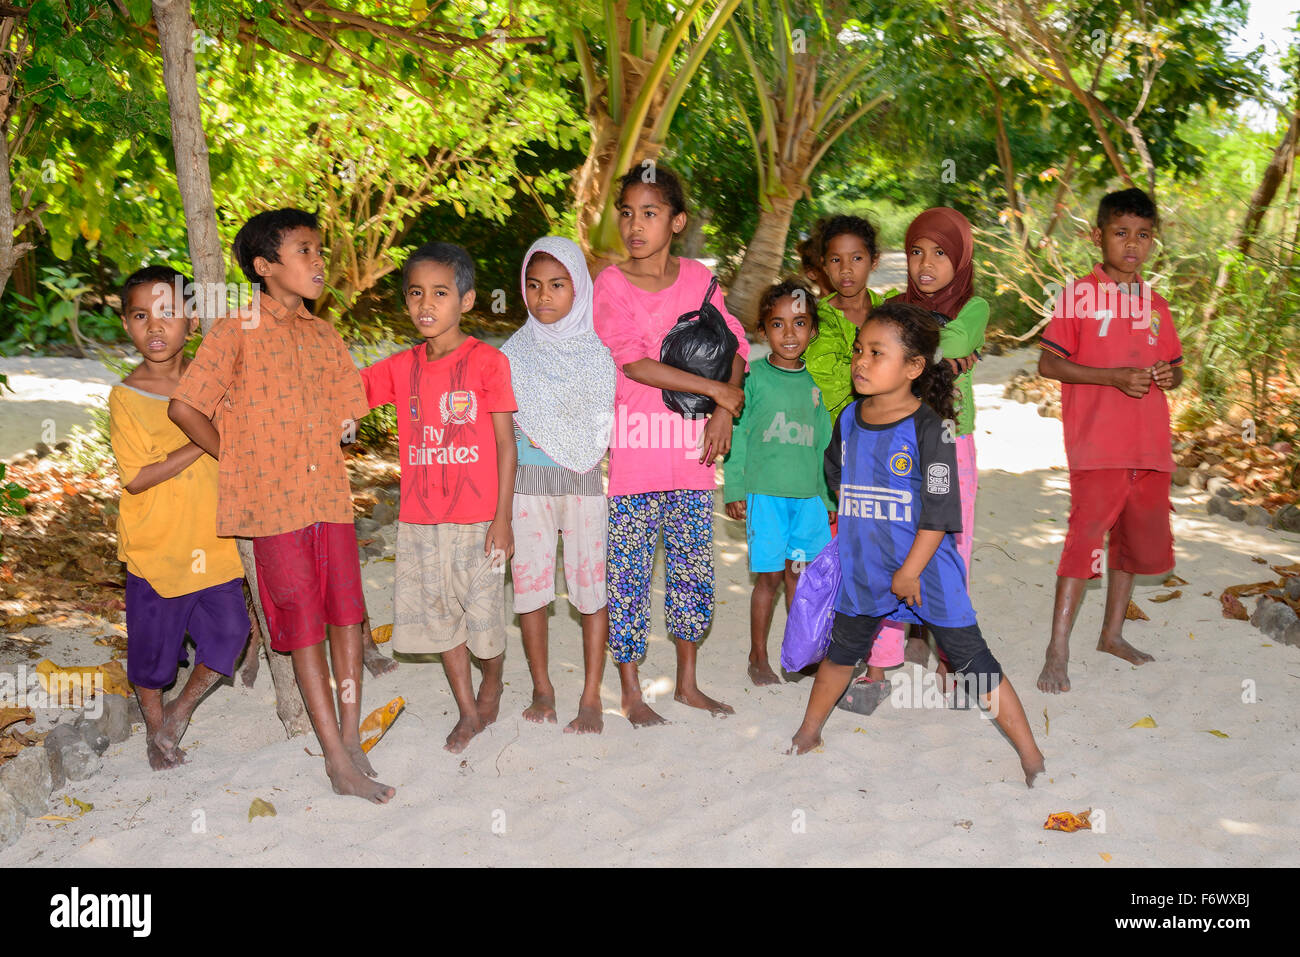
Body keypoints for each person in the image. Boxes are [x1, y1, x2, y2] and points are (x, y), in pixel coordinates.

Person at [169, 208, 394, 803]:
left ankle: (351, 738)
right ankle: (332, 758)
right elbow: (185, 408)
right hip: (273, 509)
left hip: (329, 498)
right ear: (266, 267)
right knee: (300, 626)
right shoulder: (234, 331)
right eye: (303, 251)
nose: (319, 261)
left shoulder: (324, 334)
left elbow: (350, 411)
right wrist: (237, 458)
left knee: (346, 617)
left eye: (320, 250)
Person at [788, 302, 1045, 788]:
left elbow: (939, 514)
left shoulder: (931, 428)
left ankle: (1031, 757)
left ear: (912, 367)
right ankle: (807, 733)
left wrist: (908, 572)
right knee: (842, 654)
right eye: (858, 351)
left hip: (926, 573)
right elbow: (838, 481)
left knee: (973, 661)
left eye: (876, 353)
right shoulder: (848, 420)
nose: (860, 361)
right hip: (865, 569)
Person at [593, 163, 750, 726]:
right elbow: (633, 362)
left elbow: (736, 342)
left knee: (691, 577)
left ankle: (687, 683)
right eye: (627, 213)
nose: (636, 225)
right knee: (629, 578)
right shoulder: (609, 285)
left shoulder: (699, 279)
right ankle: (631, 692)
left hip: (693, 459)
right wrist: (716, 391)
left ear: (677, 221)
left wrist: (725, 409)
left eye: (651, 214)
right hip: (635, 458)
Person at [358, 242, 517, 751]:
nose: (426, 304)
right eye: (415, 294)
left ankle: (492, 676)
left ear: (466, 301)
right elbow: (342, 392)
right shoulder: (399, 368)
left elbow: (505, 445)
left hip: (480, 521)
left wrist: (503, 519)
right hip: (420, 521)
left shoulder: (489, 363)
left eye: (441, 293)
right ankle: (467, 711)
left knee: (485, 621)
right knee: (442, 619)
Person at [841, 207, 988, 714]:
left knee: (951, 548)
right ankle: (879, 667)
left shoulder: (975, 306)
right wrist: (938, 354)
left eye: (941, 253)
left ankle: (952, 664)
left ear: (962, 258)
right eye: (916, 252)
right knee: (885, 548)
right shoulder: (892, 306)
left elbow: (959, 340)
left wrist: (931, 349)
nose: (926, 264)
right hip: (892, 443)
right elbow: (887, 349)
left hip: (951, 441)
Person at [1036, 187, 1182, 694]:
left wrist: (1167, 375)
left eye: (1143, 235)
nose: (1132, 244)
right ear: (1098, 236)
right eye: (1121, 233)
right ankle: (1057, 650)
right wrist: (1113, 377)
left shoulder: (1156, 303)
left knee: (1132, 546)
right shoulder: (1077, 295)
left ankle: (1112, 635)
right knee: (1085, 542)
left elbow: (1177, 372)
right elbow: (1048, 363)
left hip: (1150, 446)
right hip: (1098, 444)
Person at [110, 266, 249, 771]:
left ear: (192, 321)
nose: (155, 326)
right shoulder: (126, 396)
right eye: (141, 315)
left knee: (231, 634)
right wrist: (200, 437)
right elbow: (137, 478)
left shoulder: (212, 384)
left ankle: (180, 710)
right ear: (126, 324)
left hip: (214, 542)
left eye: (168, 313)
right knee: (152, 654)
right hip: (157, 547)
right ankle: (153, 727)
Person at [502, 236, 615, 734]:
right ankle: (542, 688)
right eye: (533, 285)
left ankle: (591, 696)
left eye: (557, 285)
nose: (543, 295)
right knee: (530, 590)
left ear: (579, 289)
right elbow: (501, 428)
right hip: (528, 486)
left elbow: (605, 421)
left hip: (585, 483)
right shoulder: (510, 354)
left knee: (590, 588)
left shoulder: (599, 350)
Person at [723, 279, 833, 686]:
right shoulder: (753, 381)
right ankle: (758, 657)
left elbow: (823, 444)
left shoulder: (815, 388)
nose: (789, 334)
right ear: (762, 330)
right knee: (768, 579)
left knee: (800, 578)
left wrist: (826, 496)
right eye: (778, 324)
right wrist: (733, 489)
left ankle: (801, 653)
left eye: (800, 323)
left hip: (807, 502)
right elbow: (738, 435)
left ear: (812, 331)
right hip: (765, 499)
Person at [803, 215, 885, 423]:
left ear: (873, 261)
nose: (845, 269)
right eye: (835, 260)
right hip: (830, 438)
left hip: (884, 434)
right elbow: (817, 389)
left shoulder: (891, 313)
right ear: (823, 264)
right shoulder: (813, 321)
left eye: (857, 258)